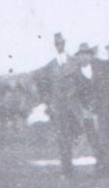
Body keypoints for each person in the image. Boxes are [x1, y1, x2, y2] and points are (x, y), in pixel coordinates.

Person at [34, 32, 80, 177]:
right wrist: (48, 102)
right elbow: (42, 84)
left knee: (78, 135)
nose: (59, 45)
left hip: (74, 106)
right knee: (63, 137)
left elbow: (80, 82)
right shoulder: (50, 66)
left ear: (65, 43)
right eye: (56, 43)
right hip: (58, 107)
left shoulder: (74, 62)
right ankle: (67, 169)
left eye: (61, 43)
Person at [71, 43, 109, 177]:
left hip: (103, 110)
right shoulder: (75, 74)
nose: (84, 57)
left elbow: (108, 88)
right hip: (87, 112)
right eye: (81, 55)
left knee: (106, 140)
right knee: (94, 141)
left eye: (86, 54)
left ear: (90, 56)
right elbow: (74, 95)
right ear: (78, 57)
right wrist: (82, 110)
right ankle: (100, 168)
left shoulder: (100, 70)